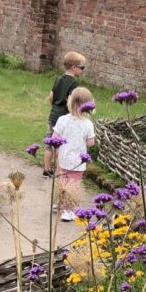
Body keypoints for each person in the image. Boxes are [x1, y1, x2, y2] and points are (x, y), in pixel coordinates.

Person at [52, 87, 95, 222]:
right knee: (73, 185)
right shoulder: (88, 124)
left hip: (63, 157)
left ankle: (59, 204)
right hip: (78, 161)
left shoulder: (62, 119)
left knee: (62, 182)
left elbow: (54, 137)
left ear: (70, 101)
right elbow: (90, 143)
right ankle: (68, 211)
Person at [43, 51, 85, 178]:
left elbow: (51, 96)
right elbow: (71, 100)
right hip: (63, 119)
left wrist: (55, 105)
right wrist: (75, 113)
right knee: (61, 145)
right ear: (74, 68)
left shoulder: (58, 79)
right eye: (82, 68)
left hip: (53, 115)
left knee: (50, 143)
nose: (83, 70)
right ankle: (58, 171)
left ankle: (46, 169)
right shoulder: (74, 83)